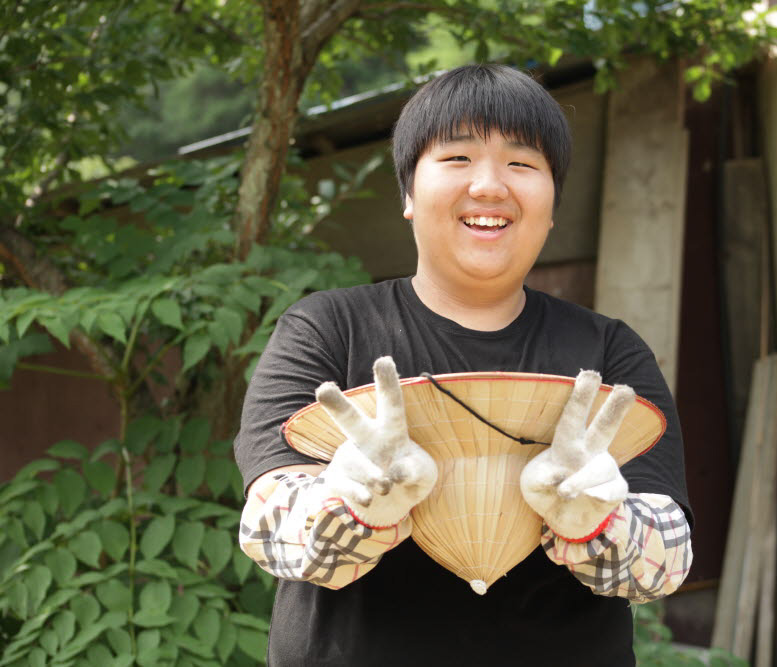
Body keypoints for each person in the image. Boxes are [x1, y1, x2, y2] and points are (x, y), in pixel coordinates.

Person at [235, 63, 693, 667]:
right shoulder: (325, 330)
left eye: (521, 163)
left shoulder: (610, 351)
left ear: (553, 204)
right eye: (457, 158)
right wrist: (354, 506)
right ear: (408, 193)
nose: (489, 185)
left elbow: (665, 565)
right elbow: (269, 526)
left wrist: (597, 523)